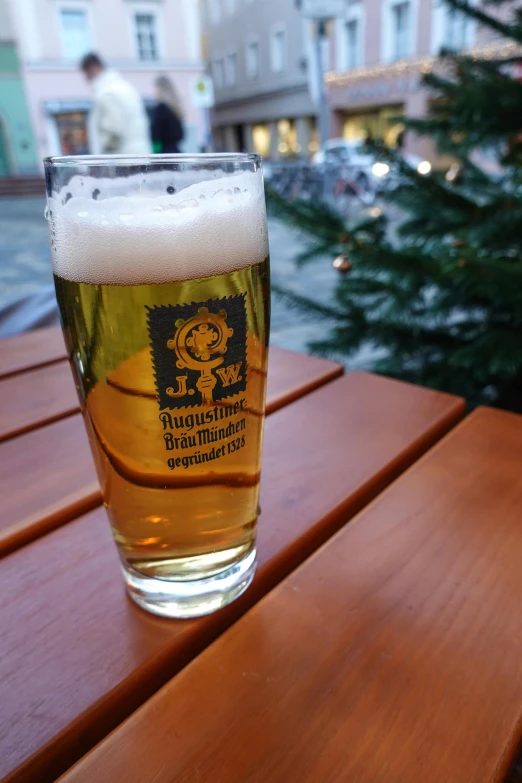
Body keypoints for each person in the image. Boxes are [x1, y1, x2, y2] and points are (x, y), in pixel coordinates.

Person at [80, 53, 151, 155]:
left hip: (121, 160)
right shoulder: (124, 87)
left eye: (86, 75)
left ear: (93, 68)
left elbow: (114, 131)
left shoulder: (107, 92)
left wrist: (101, 155)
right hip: (137, 155)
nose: (86, 79)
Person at [150, 75, 184, 154]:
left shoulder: (159, 110)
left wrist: (156, 153)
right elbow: (180, 135)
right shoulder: (176, 109)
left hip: (163, 156)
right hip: (176, 153)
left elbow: (155, 136)